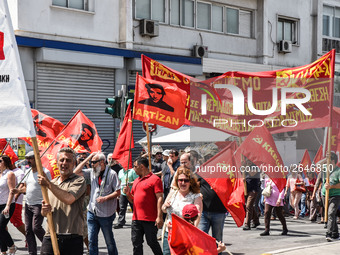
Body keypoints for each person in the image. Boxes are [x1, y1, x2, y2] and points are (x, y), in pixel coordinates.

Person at [38, 147, 87, 255]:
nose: (64, 163)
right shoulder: (51, 183)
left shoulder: (79, 181)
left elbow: (68, 199)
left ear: (74, 163)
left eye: (68, 160)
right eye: (62, 160)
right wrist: (44, 210)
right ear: (57, 163)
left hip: (71, 238)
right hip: (50, 235)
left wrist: (49, 184)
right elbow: (44, 213)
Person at [74, 152, 120, 255]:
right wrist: (88, 157)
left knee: (109, 242)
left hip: (106, 214)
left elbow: (118, 192)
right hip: (92, 212)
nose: (91, 164)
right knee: (91, 241)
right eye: (91, 162)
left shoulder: (112, 174)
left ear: (102, 162)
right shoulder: (92, 172)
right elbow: (76, 172)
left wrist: (105, 198)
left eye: (94, 162)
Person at [11, 151, 52, 255]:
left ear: (36, 158)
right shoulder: (28, 171)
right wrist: (18, 191)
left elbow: (50, 187)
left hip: (39, 203)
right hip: (28, 203)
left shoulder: (44, 172)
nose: (28, 160)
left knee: (36, 227)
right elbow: (26, 188)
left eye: (30, 158)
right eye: (27, 158)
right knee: (28, 230)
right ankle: (32, 252)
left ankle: (49, 246)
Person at [124, 157, 163, 255]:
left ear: (142, 167)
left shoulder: (155, 179)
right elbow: (133, 200)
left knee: (151, 242)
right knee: (136, 243)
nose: (134, 169)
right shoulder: (136, 180)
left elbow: (160, 198)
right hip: (136, 218)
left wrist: (159, 217)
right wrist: (128, 194)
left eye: (135, 166)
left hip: (150, 219)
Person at [162, 167, 202, 255]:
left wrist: (193, 229)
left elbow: (198, 215)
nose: (183, 183)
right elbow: (163, 209)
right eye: (180, 180)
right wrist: (165, 206)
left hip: (185, 235)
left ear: (190, 182)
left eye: (186, 180)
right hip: (170, 233)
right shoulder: (173, 193)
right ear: (177, 181)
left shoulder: (196, 196)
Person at [196, 174, 227, 253]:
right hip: (203, 210)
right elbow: (195, 184)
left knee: (217, 239)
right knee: (201, 237)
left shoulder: (225, 173)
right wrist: (197, 193)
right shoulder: (202, 171)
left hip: (219, 211)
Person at [319, 152, 340, 241]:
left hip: (335, 195)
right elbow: (317, 165)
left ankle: (329, 233)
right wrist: (325, 159)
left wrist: (331, 186)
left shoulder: (338, 171)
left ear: (333, 161)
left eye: (328, 160)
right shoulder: (325, 169)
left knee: (330, 213)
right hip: (325, 195)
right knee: (331, 214)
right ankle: (335, 233)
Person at [0, 155, 17, 255]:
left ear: (5, 162)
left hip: (6, 205)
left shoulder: (9, 174)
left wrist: (7, 205)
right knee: (1, 228)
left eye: (0, 161)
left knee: (0, 227)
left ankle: (11, 245)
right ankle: (3, 251)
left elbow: (12, 191)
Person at [243, 159, 261, 230]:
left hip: (253, 189)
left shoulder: (256, 167)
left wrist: (245, 166)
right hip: (246, 189)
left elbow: (252, 173)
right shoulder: (244, 167)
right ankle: (256, 221)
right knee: (249, 206)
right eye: (247, 160)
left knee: (249, 205)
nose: (248, 162)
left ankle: (247, 224)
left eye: (249, 160)